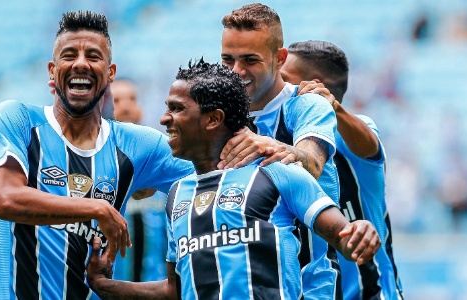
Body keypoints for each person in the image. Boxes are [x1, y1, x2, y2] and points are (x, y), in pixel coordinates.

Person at [85, 59, 381, 300]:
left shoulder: (277, 173)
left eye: (176, 108)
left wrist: (359, 232)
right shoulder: (177, 194)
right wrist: (105, 286)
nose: (164, 119)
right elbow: (175, 290)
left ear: (213, 119)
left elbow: (344, 237)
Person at [0, 11, 196, 299]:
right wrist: (98, 209)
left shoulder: (138, 146)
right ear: (52, 70)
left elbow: (212, 171)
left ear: (110, 73)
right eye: (69, 55)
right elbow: (7, 199)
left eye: (93, 56)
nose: (81, 63)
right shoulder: (18, 120)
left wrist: (262, 143)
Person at [217, 3, 342, 299]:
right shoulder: (217, 118)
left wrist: (272, 145)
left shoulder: (307, 105)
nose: (236, 72)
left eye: (250, 60)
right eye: (227, 60)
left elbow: (312, 162)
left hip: (307, 289)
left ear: (279, 58)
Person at [281, 40, 404, 299]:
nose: (278, 87)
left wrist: (331, 107)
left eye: (284, 78)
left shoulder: (350, 134)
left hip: (373, 293)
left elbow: (369, 144)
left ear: (315, 84)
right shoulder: (286, 142)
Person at [109, 78, 168, 282]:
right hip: (108, 288)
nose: (125, 106)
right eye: (116, 100)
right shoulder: (91, 166)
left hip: (157, 288)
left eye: (131, 99)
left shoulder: (162, 166)